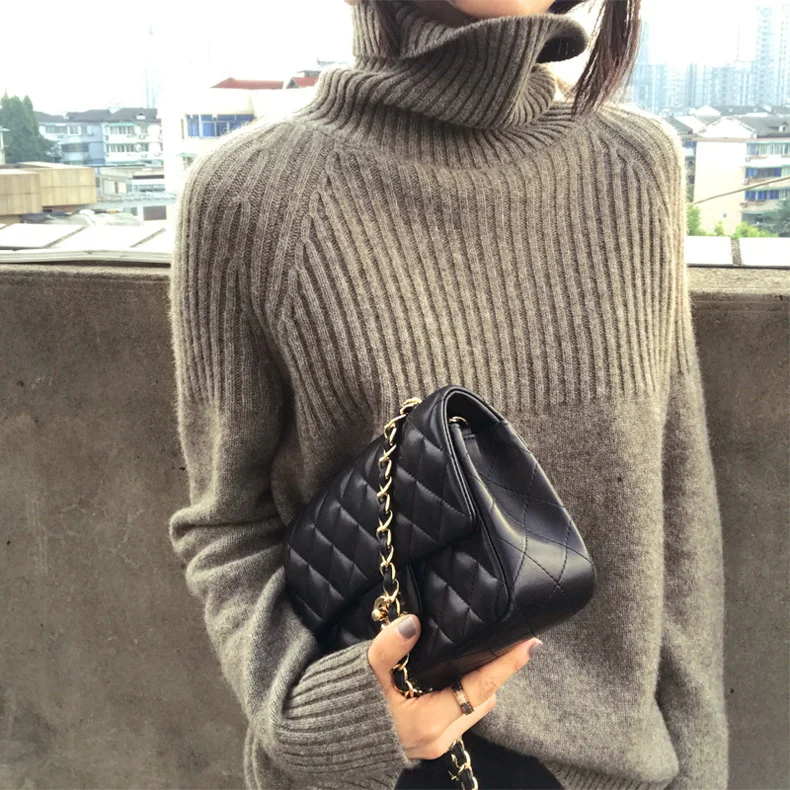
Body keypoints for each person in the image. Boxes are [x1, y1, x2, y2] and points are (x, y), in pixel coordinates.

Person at [166, 1, 729, 789]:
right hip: (386, 764)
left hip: (620, 767)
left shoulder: (636, 167)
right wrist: (330, 715)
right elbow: (227, 522)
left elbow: (677, 497)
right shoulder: (252, 196)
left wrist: (700, 768)